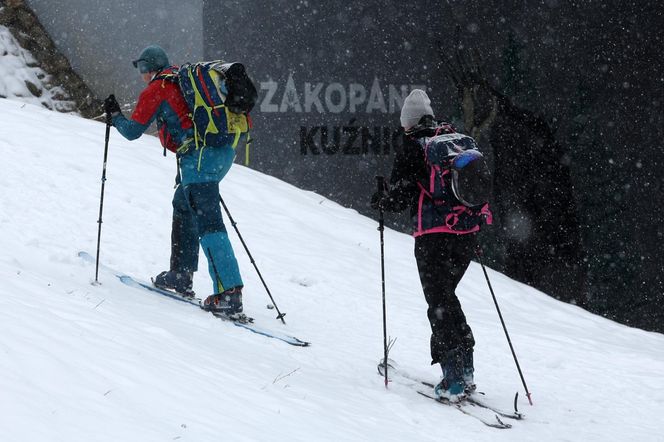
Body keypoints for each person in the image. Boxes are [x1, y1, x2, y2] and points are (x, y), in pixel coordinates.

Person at [103, 44, 244, 316]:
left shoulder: (158, 88)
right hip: (222, 151)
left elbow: (133, 131)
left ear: (148, 69)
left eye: (142, 69)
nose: (141, 75)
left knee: (209, 221)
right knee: (183, 204)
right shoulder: (183, 78)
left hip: (199, 157)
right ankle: (181, 274)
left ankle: (230, 294)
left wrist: (116, 117)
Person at [372, 89, 492, 401]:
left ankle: (453, 378)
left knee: (438, 303)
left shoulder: (414, 146)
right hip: (466, 233)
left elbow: (400, 196)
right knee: (447, 298)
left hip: (434, 236)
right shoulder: (456, 139)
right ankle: (466, 369)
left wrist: (383, 199)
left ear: (407, 122)